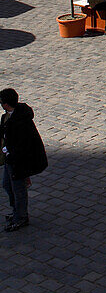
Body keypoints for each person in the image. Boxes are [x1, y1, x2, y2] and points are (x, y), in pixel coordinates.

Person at [1, 88, 47, 232]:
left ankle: (21, 217)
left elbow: (22, 146)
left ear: (6, 104)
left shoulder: (20, 122)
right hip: (11, 159)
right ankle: (17, 212)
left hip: (18, 161)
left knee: (18, 190)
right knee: (7, 186)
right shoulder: (7, 117)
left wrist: (8, 152)